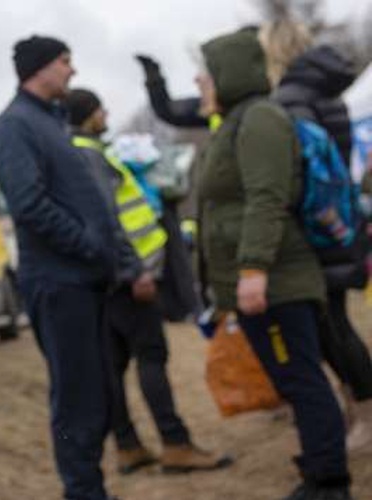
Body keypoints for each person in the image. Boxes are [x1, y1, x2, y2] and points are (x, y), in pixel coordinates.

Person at [197, 29, 351, 500]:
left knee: (301, 379)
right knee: (294, 379)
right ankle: (318, 470)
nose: (200, 84)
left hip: (278, 280)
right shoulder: (237, 120)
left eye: (207, 75)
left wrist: (253, 270)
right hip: (268, 279)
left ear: (229, 75)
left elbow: (267, 197)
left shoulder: (260, 118)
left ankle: (329, 483)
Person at [66, 88, 232, 475]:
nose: (106, 112)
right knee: (151, 357)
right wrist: (135, 271)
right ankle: (175, 444)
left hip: (106, 279)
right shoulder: (90, 155)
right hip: (128, 278)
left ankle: (128, 446)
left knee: (114, 364)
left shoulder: (75, 152)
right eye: (101, 108)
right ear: (89, 115)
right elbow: (109, 220)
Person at [0, 35, 120, 500]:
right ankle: (83, 493)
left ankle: (91, 489)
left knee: (99, 397)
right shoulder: (14, 126)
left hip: (87, 282)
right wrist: (88, 245)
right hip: (59, 283)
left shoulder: (52, 121)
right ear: (39, 68)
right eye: (66, 62)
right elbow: (28, 206)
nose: (73, 71)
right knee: (78, 403)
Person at [270, 39, 372, 455]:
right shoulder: (326, 96)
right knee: (335, 326)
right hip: (339, 227)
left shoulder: (292, 101)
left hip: (316, 233)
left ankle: (365, 415)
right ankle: (358, 410)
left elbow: (302, 174)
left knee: (333, 329)